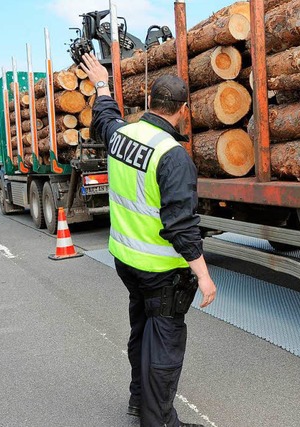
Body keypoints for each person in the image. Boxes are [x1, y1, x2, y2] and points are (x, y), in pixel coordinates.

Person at [80, 53, 216, 427]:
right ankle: (158, 423)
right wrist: (203, 275)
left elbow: (104, 119)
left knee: (141, 332)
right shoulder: (172, 155)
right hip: (160, 270)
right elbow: (180, 225)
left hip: (126, 260)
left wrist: (103, 85)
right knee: (164, 349)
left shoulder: (123, 135)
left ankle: (139, 402)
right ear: (183, 109)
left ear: (150, 103)